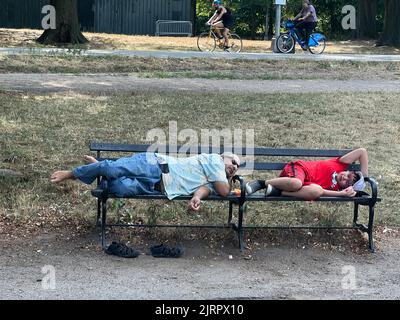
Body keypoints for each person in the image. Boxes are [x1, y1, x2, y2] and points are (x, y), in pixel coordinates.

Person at [51, 152, 241, 211]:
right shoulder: (215, 160)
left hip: (157, 187)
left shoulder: (214, 180)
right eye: (232, 162)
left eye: (237, 167)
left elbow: (204, 190)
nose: (234, 166)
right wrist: (228, 179)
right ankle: (72, 174)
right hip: (155, 165)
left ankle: (99, 167)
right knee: (112, 169)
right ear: (223, 157)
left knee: (117, 187)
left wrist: (196, 199)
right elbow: (225, 192)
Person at [245, 148, 369, 201]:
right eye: (348, 174)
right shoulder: (339, 163)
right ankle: (261, 183)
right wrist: (365, 178)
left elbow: (320, 192)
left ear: (345, 187)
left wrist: (341, 194)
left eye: (346, 182)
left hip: (302, 187)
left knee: (317, 192)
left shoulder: (335, 189)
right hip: (299, 170)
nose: (344, 177)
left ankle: (278, 192)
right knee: (296, 183)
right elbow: (362, 152)